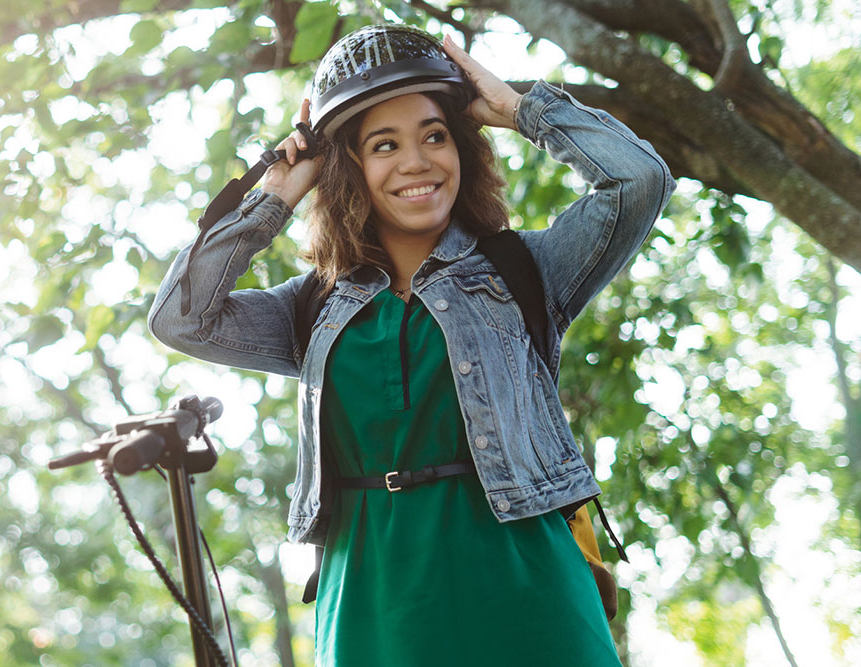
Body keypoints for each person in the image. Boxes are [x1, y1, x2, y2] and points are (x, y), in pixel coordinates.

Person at [148, 24, 675, 666]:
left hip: (526, 581)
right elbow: (180, 318)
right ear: (349, 169)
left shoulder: (526, 269)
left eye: (434, 135)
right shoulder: (311, 307)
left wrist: (518, 108)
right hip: (372, 593)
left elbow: (639, 180)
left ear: (462, 148)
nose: (416, 162)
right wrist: (276, 195)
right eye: (383, 145)